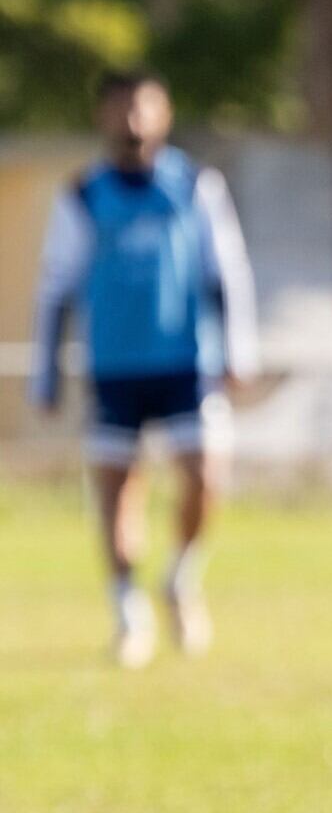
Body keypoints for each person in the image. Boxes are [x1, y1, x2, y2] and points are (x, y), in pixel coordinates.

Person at [29, 69, 259, 666]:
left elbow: (225, 270)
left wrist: (240, 350)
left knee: (206, 475)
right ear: (103, 115)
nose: (133, 122)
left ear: (165, 114)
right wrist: (47, 374)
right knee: (115, 489)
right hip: (114, 365)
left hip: (186, 362)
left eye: (144, 109)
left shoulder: (194, 186)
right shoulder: (83, 194)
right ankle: (127, 610)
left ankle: (181, 577)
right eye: (121, 109)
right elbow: (57, 287)